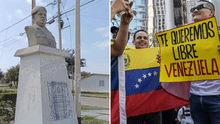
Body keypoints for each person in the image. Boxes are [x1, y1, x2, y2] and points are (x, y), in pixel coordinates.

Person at [156, 1, 220, 124]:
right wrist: (165, 59)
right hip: (195, 96)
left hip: (217, 96)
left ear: (212, 13)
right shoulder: (184, 38)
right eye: (193, 9)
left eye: (200, 7)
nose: (195, 10)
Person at [127, 29, 162, 124]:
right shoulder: (126, 58)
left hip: (153, 105)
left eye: (145, 38)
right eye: (139, 38)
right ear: (133, 42)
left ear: (148, 42)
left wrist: (163, 63)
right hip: (133, 106)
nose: (142, 40)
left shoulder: (158, 56)